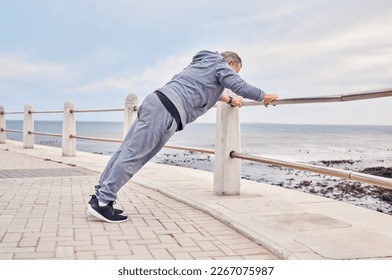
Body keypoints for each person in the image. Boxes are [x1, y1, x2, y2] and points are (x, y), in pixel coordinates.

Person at [88, 50, 279, 223]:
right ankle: (104, 202)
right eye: (234, 72)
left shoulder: (204, 62)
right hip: (166, 112)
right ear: (230, 64)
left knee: (125, 151)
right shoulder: (221, 66)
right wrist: (263, 96)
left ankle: (100, 196)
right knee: (133, 156)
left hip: (155, 101)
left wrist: (228, 99)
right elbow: (239, 86)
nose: (231, 77)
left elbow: (204, 88)